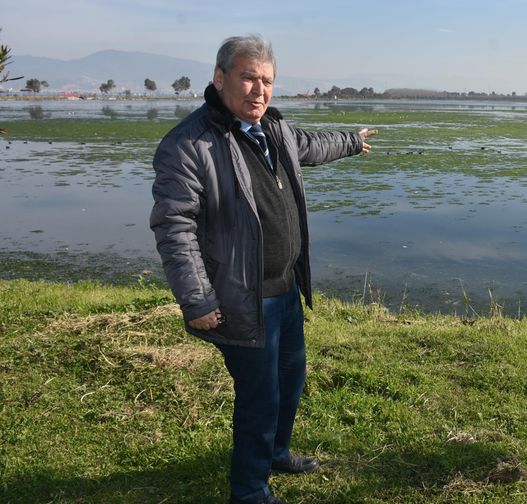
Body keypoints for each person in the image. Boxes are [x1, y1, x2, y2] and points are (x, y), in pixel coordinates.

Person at [150, 35, 377, 504]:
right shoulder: (190, 144)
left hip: (286, 290)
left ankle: (276, 452)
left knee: (290, 378)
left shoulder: (273, 130)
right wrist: (197, 300)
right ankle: (250, 489)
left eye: (267, 80)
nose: (259, 90)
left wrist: (352, 142)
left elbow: (311, 145)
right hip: (242, 298)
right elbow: (175, 228)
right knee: (259, 398)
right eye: (248, 77)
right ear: (220, 78)